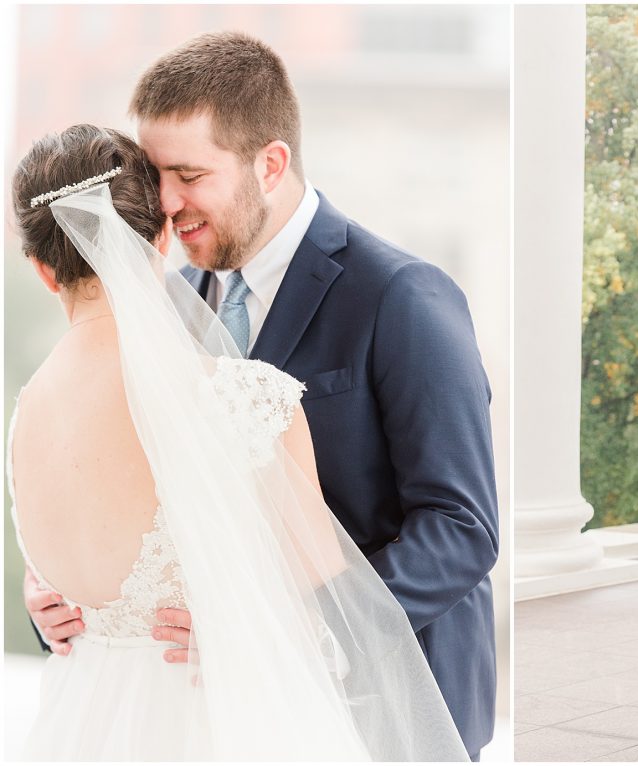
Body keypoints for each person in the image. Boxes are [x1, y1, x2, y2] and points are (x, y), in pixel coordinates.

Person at [23, 32, 499, 759]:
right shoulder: (165, 304)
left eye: (187, 174)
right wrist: (71, 602)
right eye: (155, 179)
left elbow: (463, 527)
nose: (164, 205)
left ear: (269, 163)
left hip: (387, 704)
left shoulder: (401, 294)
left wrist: (271, 634)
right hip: (201, 711)